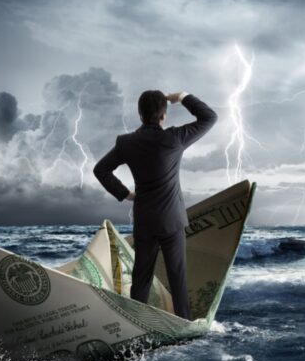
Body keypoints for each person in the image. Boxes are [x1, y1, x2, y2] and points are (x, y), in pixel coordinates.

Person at [93, 90, 217, 320]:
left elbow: (100, 169)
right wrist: (182, 97)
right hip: (172, 220)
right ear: (164, 116)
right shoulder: (175, 138)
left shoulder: (126, 142)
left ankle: (136, 325)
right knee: (177, 278)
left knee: (141, 278)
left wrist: (126, 194)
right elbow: (209, 117)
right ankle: (184, 326)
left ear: (140, 114)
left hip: (145, 220)